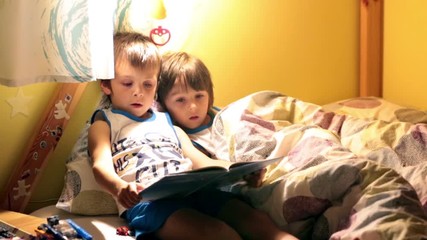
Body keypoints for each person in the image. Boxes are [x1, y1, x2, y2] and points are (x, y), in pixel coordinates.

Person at [88, 32, 297, 240]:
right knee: (215, 233)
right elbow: (100, 166)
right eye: (127, 84)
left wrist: (240, 171)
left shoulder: (169, 124)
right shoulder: (104, 122)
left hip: (193, 191)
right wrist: (120, 188)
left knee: (253, 219)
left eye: (147, 84)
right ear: (106, 85)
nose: (138, 92)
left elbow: (204, 163)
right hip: (149, 202)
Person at [157, 51, 267, 187]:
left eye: (199, 96)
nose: (193, 107)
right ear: (163, 103)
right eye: (180, 100)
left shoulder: (223, 115)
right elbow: (203, 165)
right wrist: (246, 171)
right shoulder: (176, 135)